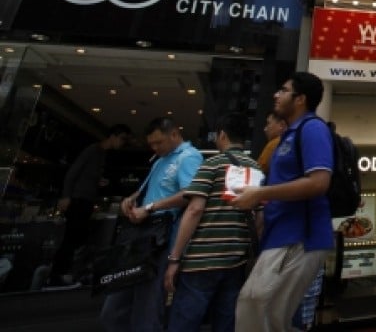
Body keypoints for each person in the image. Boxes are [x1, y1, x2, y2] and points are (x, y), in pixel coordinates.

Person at [231, 72, 334, 332]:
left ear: (300, 99)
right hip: (281, 235)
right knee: (268, 314)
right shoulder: (289, 136)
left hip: (301, 236)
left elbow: (319, 182)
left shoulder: (312, 129)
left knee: (256, 304)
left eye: (284, 90)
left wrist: (261, 194)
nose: (276, 95)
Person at [100, 117, 202, 332]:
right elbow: (149, 190)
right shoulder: (159, 159)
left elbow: (190, 194)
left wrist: (150, 207)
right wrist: (132, 199)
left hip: (160, 239)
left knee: (147, 308)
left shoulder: (189, 157)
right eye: (152, 144)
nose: (155, 147)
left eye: (159, 142)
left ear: (174, 134)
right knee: (116, 303)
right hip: (139, 237)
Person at [164, 113, 261, 332]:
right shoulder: (255, 169)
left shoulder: (212, 164)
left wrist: (174, 258)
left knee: (185, 321)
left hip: (201, 260)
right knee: (226, 321)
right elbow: (259, 217)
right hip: (236, 260)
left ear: (222, 135)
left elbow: (195, 209)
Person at [47, 123, 131, 289]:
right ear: (113, 136)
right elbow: (73, 172)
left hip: (86, 199)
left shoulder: (102, 154)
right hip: (78, 199)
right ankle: (57, 276)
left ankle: (64, 274)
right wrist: (66, 196)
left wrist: (97, 182)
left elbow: (84, 175)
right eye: (122, 139)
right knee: (71, 238)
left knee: (76, 238)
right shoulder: (93, 150)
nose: (122, 143)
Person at [257, 111, 287, 175]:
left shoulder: (274, 143)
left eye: (268, 123)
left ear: (281, 125)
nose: (265, 129)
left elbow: (258, 170)